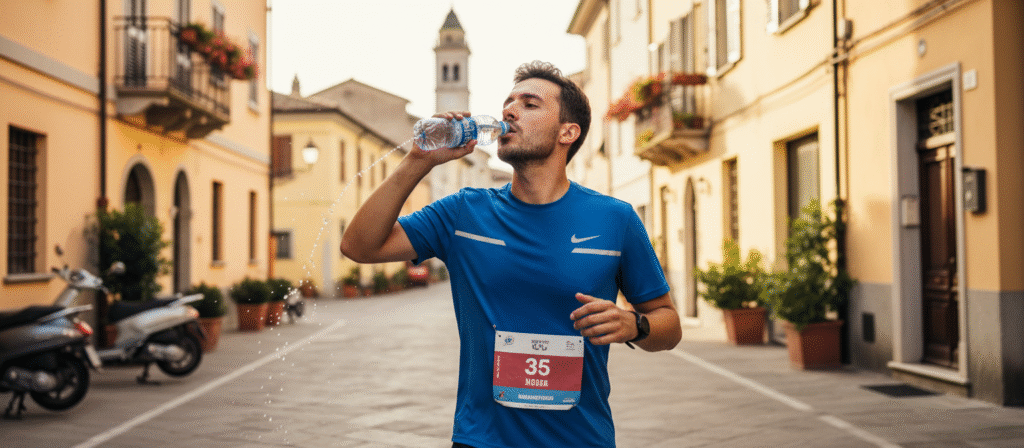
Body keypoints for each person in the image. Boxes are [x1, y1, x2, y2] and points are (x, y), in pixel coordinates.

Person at [341, 61, 681, 448]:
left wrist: (634, 325)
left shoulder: (615, 219)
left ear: (568, 132)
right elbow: (359, 246)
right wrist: (418, 160)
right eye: (508, 102)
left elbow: (668, 325)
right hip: (481, 439)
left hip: (581, 439)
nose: (509, 111)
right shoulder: (464, 212)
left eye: (530, 104)